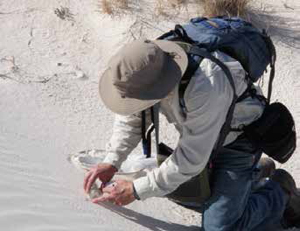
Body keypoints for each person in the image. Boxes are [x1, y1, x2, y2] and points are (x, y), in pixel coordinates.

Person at [83, 39, 300, 230]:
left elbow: (190, 160)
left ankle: (279, 191)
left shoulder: (206, 85)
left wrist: (136, 190)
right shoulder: (148, 66)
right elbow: (134, 116)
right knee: (176, 189)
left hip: (239, 143)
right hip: (202, 139)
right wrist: (111, 162)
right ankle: (255, 174)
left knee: (220, 227)